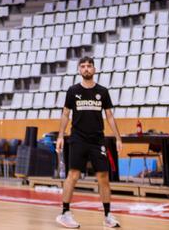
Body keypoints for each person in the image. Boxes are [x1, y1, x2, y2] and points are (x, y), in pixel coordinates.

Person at [56, 57, 122, 229]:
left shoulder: (102, 91)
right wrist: (61, 136)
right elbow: (65, 114)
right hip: (77, 138)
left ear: (94, 69)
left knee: (103, 177)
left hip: (97, 139)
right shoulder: (72, 91)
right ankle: (65, 213)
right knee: (74, 174)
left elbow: (109, 116)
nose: (86, 69)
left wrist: (118, 138)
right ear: (79, 70)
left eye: (89, 66)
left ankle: (107, 215)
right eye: (83, 66)